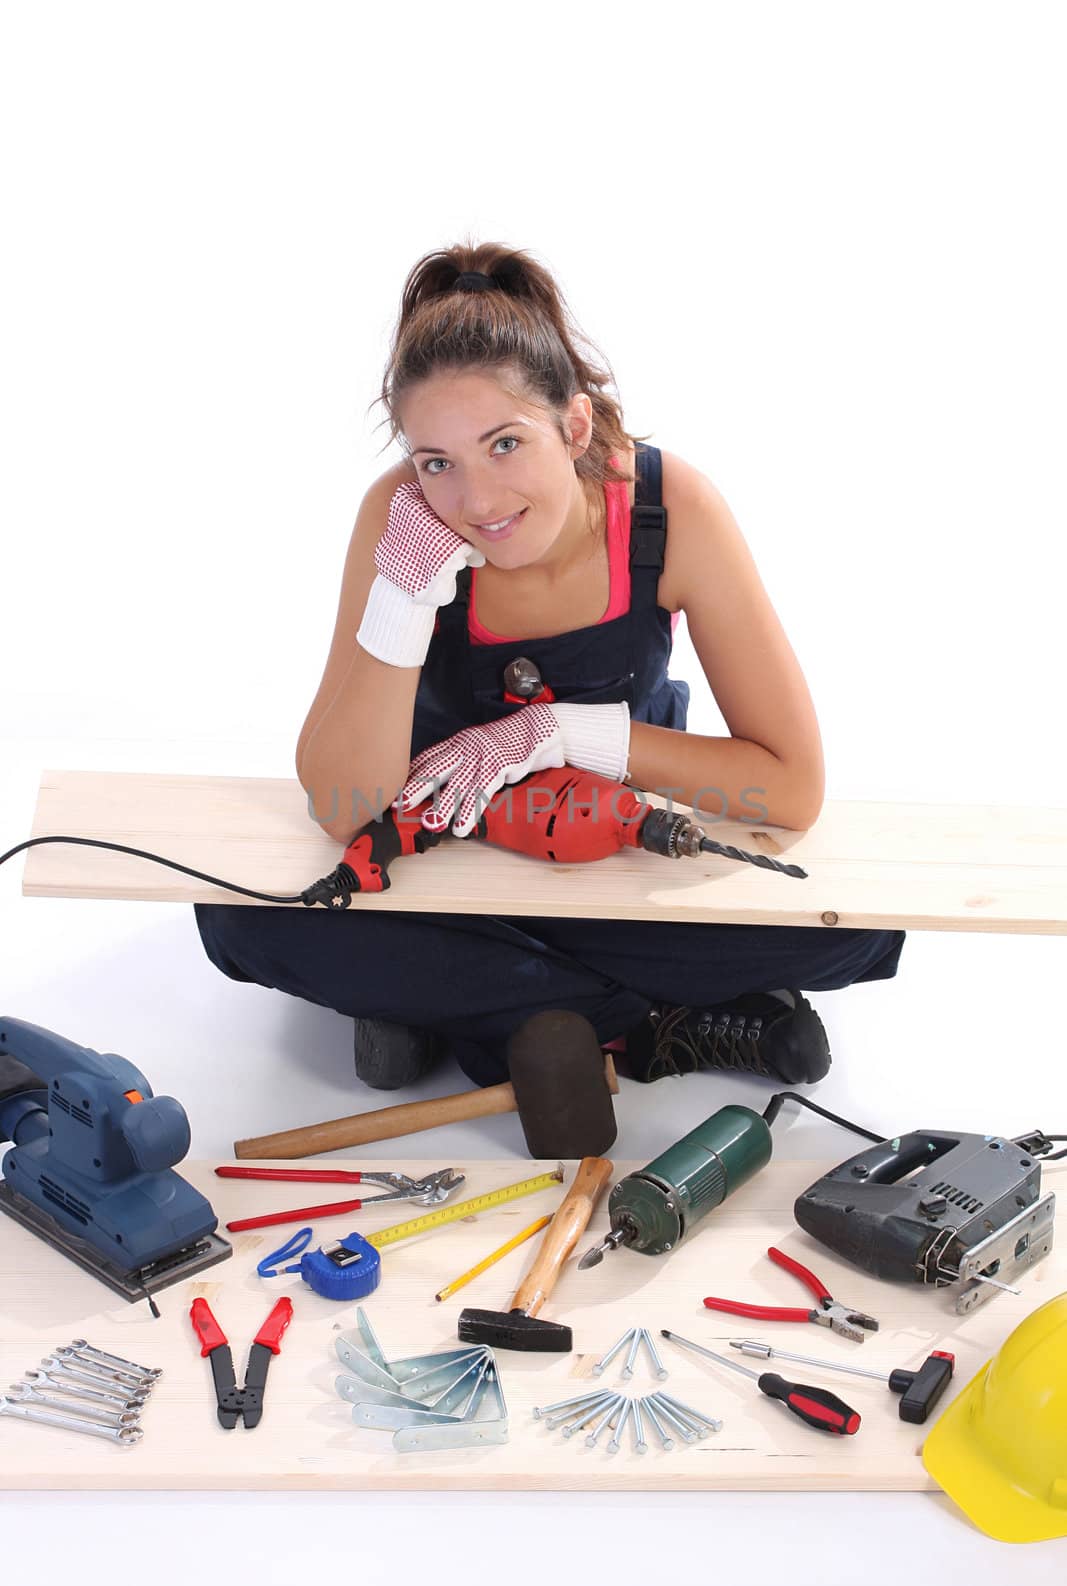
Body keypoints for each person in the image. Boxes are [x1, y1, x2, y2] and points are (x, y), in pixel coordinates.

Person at [193, 240, 905, 1093]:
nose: (476, 500)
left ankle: (451, 1003)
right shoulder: (401, 517)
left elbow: (788, 789)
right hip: (440, 858)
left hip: (615, 857)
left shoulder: (668, 510)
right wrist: (403, 598)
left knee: (846, 930)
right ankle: (650, 1023)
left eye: (503, 444)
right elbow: (345, 808)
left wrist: (564, 731)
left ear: (571, 424)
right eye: (436, 462)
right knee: (240, 919)